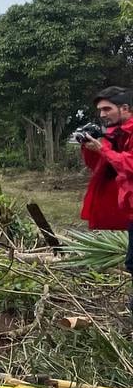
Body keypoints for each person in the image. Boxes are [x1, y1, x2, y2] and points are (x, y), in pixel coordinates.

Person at [79, 86, 133, 309]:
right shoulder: (114, 134)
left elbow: (129, 164)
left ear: (125, 108)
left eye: (107, 109)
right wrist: (89, 147)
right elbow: (99, 167)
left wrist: (103, 149)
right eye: (100, 110)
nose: (102, 114)